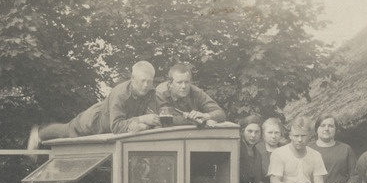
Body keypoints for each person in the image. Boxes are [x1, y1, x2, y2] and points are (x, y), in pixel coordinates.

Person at [27, 61, 159, 148]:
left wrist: (143, 126)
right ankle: (38, 133)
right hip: (93, 123)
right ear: (133, 79)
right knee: (67, 130)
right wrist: (141, 120)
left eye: (149, 81)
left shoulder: (151, 91)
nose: (146, 85)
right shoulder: (119, 93)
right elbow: (117, 126)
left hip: (110, 126)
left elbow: (154, 120)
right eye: (142, 81)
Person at [308, 115, 358, 183]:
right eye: (323, 125)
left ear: (336, 129)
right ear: (317, 129)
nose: (326, 129)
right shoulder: (308, 149)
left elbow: (355, 176)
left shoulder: (345, 149)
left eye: (330, 126)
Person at [238, 115, 282, 183]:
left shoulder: (257, 153)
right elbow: (229, 182)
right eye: (250, 131)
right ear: (243, 131)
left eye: (257, 132)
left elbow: (257, 182)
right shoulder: (237, 149)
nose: (253, 135)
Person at [155, 63, 226, 127]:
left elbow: (220, 113)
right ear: (170, 84)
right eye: (179, 82)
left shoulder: (196, 92)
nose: (184, 86)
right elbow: (165, 119)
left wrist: (205, 116)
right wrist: (196, 120)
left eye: (187, 82)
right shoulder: (160, 93)